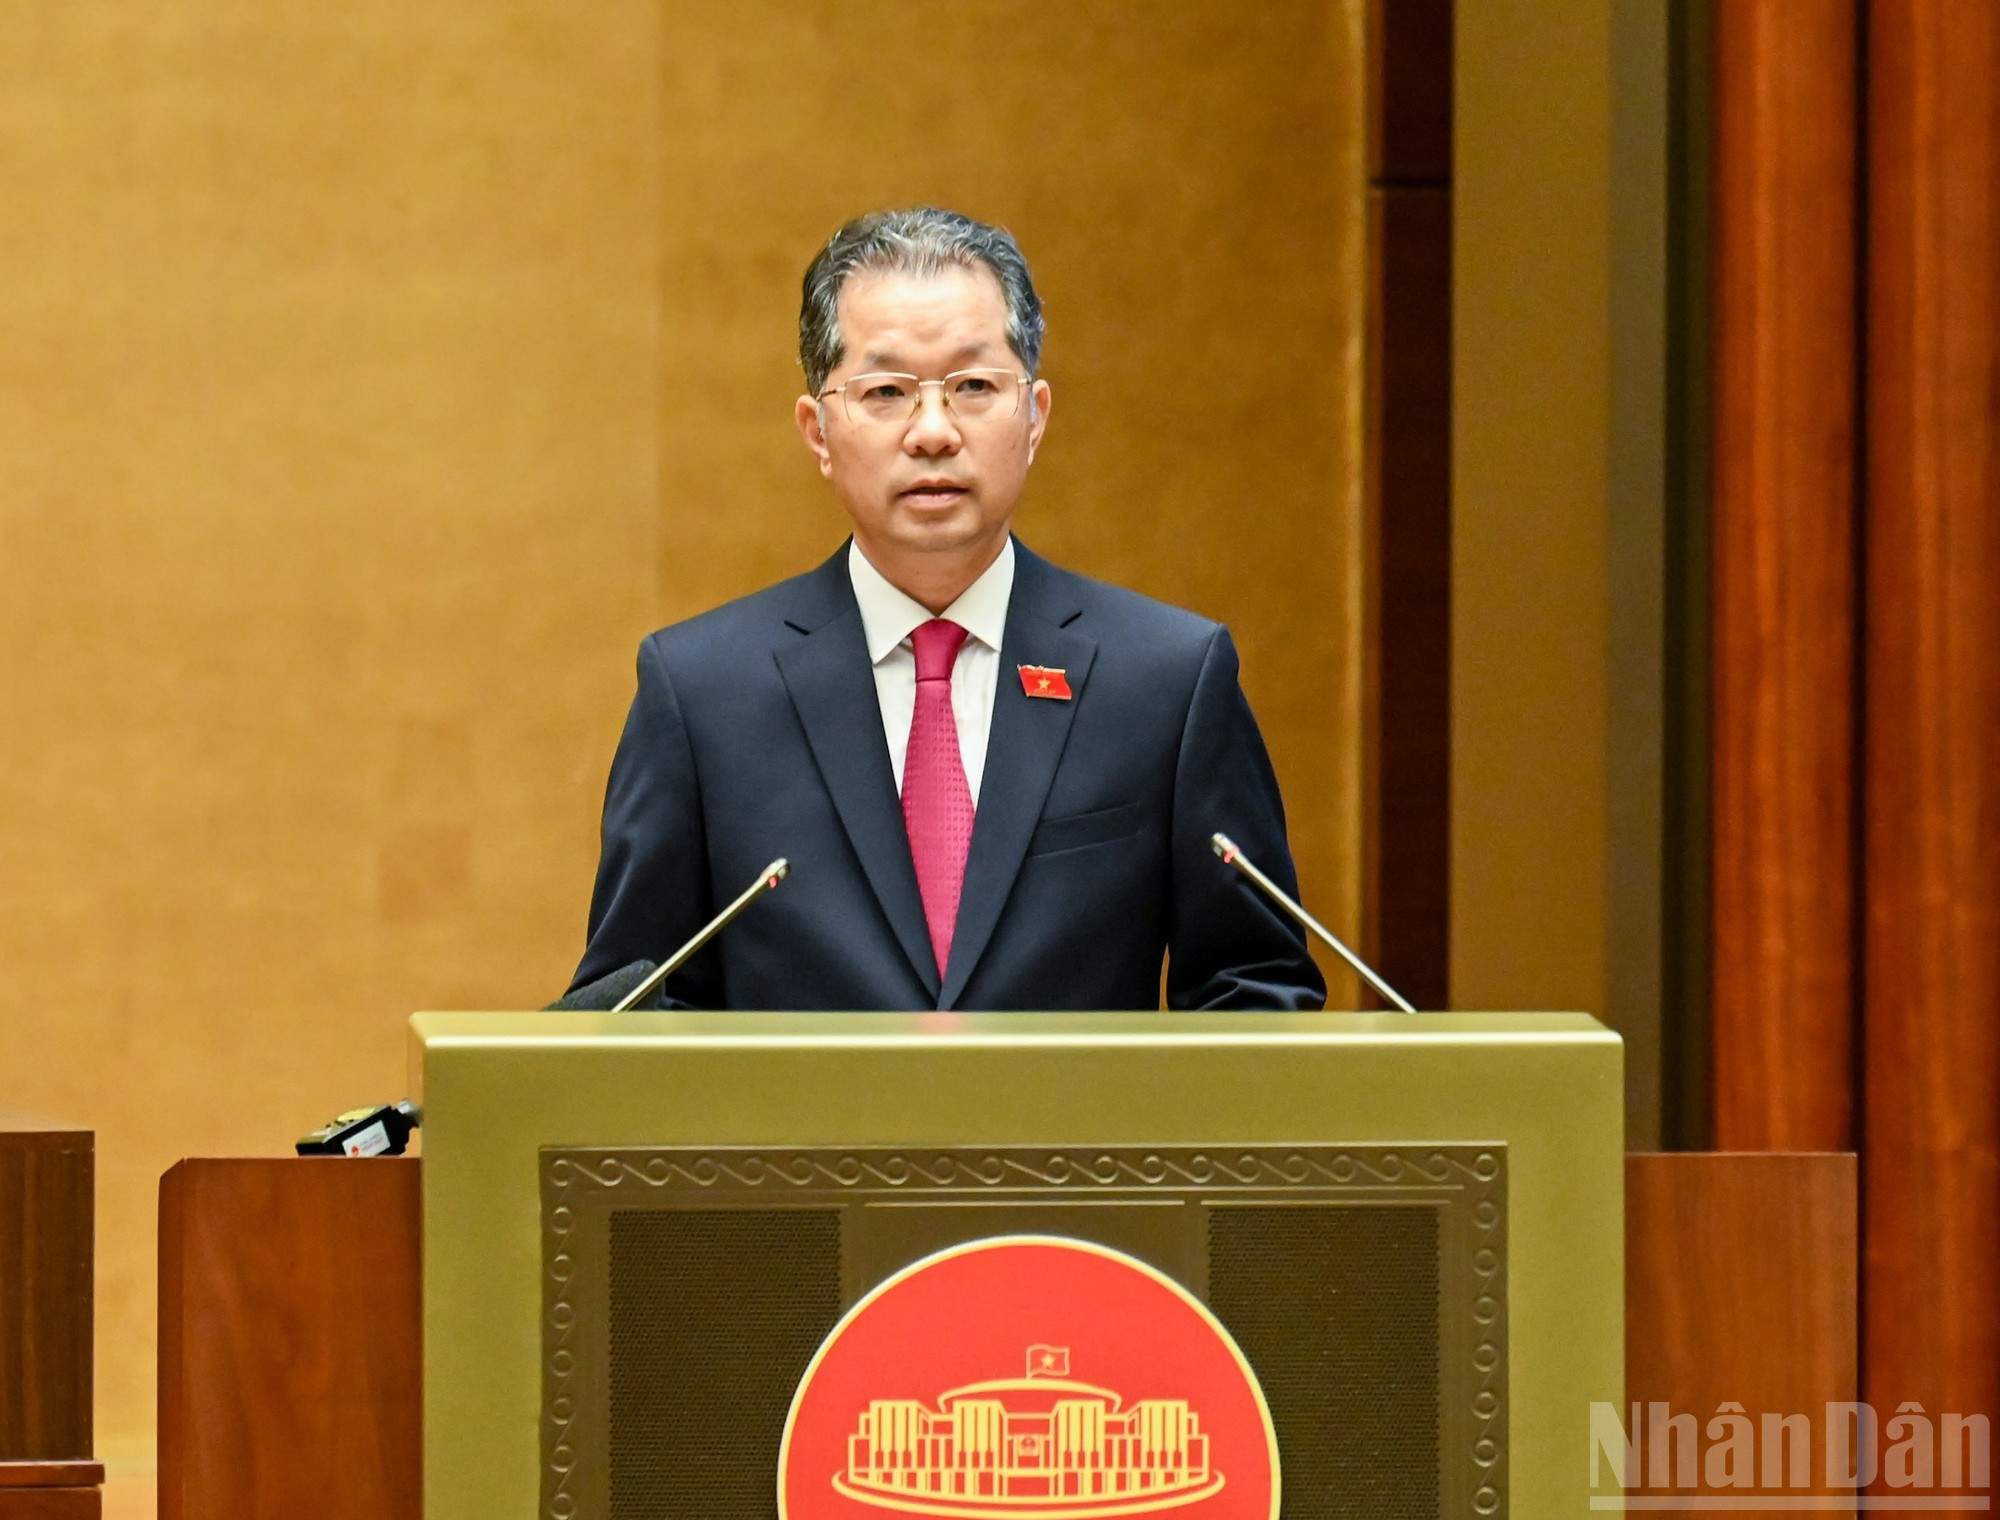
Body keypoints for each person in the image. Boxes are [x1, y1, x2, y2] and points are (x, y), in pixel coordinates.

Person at [564, 208, 1323, 1012]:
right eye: (886, 391)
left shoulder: (1165, 680)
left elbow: (1254, 991)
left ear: (1034, 417)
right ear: (817, 432)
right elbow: (629, 1010)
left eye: (973, 387)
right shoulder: (703, 693)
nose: (933, 432)